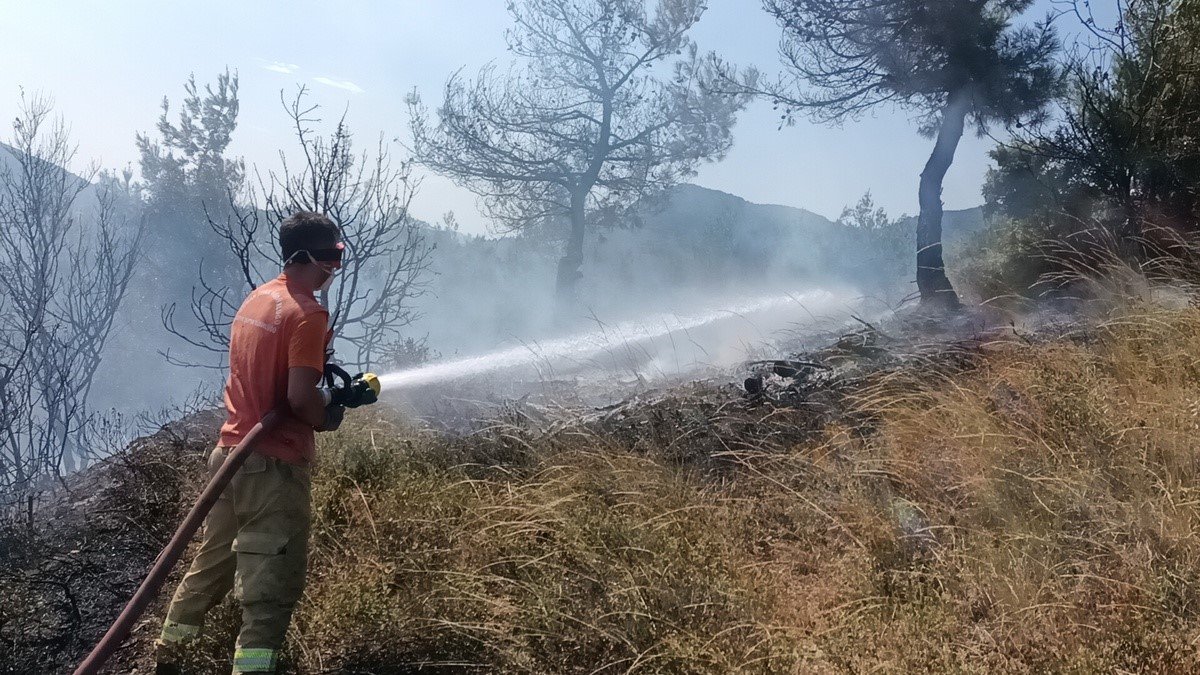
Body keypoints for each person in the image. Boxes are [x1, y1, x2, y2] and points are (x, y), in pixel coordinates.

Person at [155, 211, 360, 674]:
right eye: (333, 256)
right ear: (307, 256)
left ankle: (168, 659)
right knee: (270, 590)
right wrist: (327, 416)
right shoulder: (308, 313)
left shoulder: (258, 300)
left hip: (230, 455)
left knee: (211, 567)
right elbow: (299, 398)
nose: (335, 266)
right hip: (274, 466)